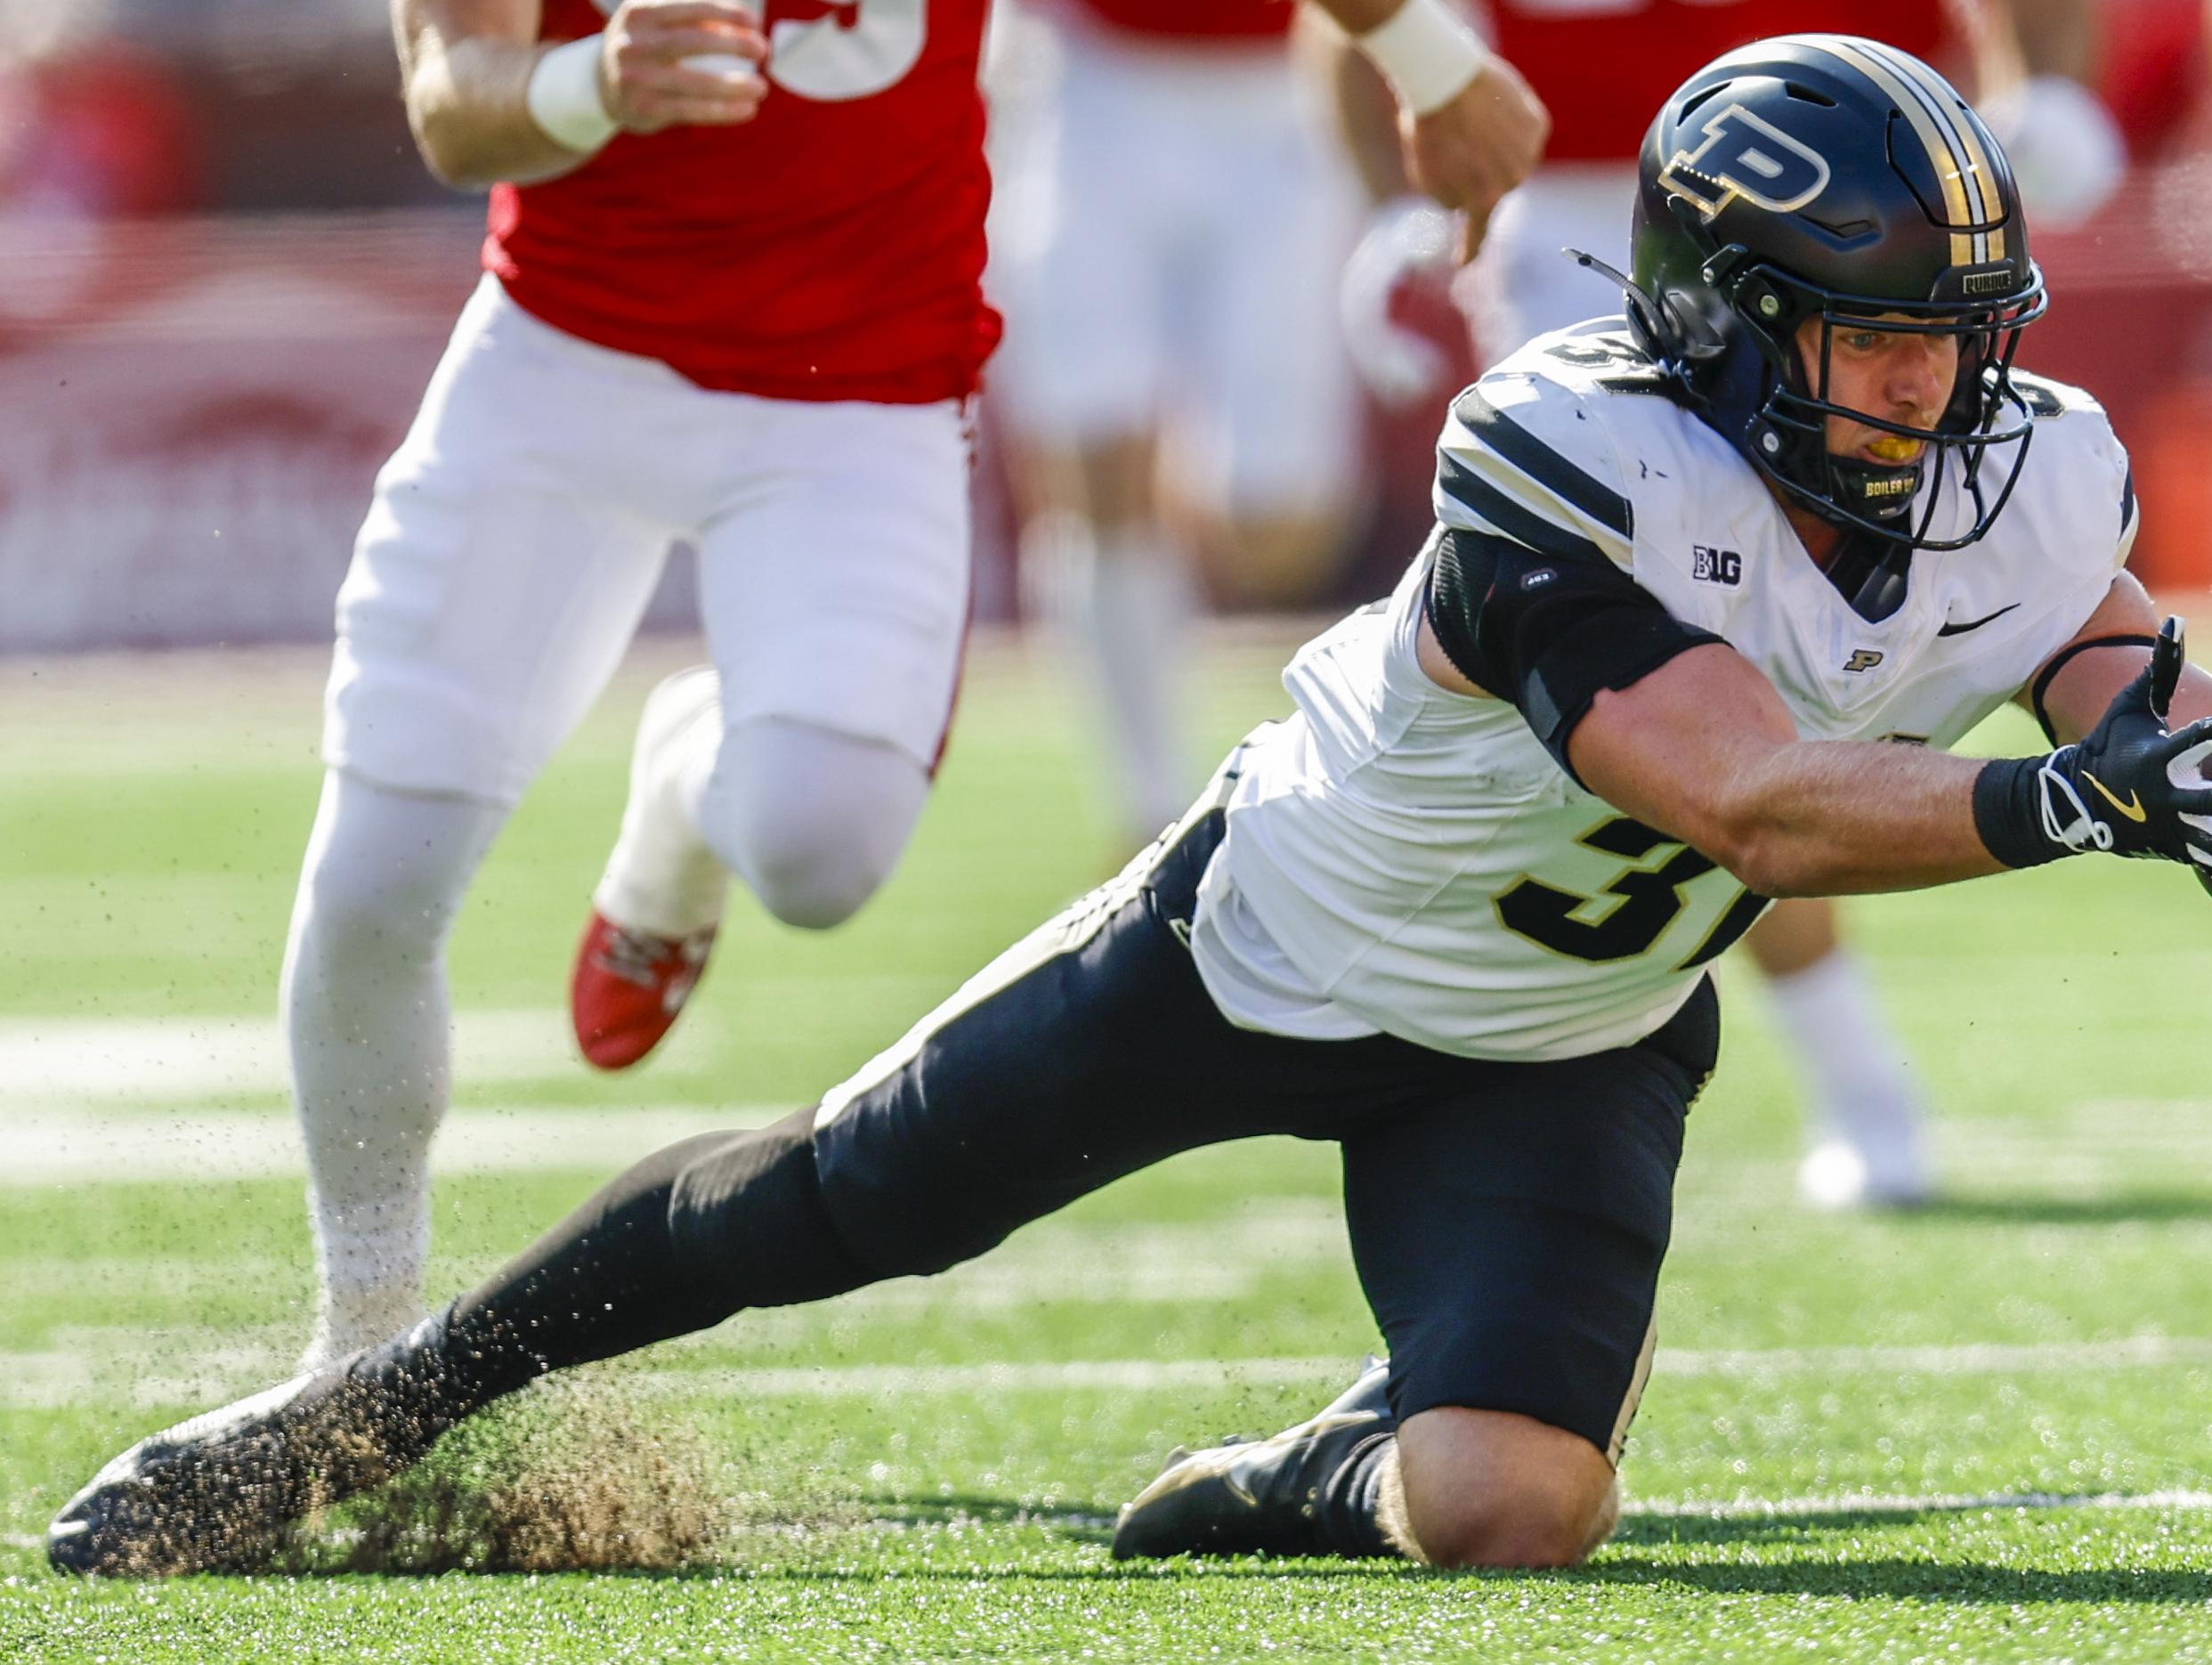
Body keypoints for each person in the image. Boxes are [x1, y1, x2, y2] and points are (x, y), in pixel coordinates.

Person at [52, 35, 2212, 1580]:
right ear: (1725, 311)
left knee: (1512, 1512)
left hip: (1561, 1034)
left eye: (1959, 336)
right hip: (1274, 932)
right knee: (836, 1202)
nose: (1934, 389)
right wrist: (2079, 814)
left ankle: (1313, 1461)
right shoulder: (1565, 453)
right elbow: (1751, 797)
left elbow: (2116, 674)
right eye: (1879, 331)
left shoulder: (2012, 466)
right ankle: (362, 1405)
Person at [288, 0, 1554, 1371]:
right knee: (376, 878)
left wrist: (1430, 57)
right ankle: (357, 1350)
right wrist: (595, 78)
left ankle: (684, 784)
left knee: (817, 847)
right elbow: (455, 105)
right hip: (561, 366)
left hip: (854, 386)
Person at [1329, 1, 2127, 1211]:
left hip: (1873, 229)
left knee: (1816, 637)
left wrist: (2039, 78)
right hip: (1603, 219)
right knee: (1704, 691)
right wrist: (1396, 155)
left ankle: (1856, 1082)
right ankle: (1854, 1077)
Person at [990, 0, 1367, 849]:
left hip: (1282, 82)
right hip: (1090, 81)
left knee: (1277, 528)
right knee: (1091, 456)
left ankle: (1181, 481)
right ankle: (1149, 810)